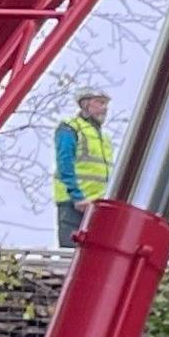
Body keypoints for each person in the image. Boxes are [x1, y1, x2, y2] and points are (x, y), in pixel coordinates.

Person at [52, 86, 113, 248]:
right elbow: (65, 163)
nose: (104, 108)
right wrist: (77, 197)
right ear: (85, 104)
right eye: (100, 102)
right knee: (72, 254)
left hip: (97, 205)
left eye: (105, 104)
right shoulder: (70, 128)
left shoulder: (103, 138)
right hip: (74, 203)